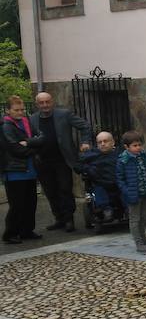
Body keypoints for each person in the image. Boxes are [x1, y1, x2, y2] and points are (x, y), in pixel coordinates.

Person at [29, 91, 91, 232]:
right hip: (42, 161)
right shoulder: (32, 119)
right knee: (50, 192)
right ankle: (59, 218)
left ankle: (69, 219)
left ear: (52, 101)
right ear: (37, 104)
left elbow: (84, 126)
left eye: (47, 101)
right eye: (41, 102)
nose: (45, 105)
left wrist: (85, 141)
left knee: (65, 190)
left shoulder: (64, 114)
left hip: (62, 160)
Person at [2, 96, 44, 243]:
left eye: (22, 109)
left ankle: (27, 230)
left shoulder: (26, 122)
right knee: (17, 205)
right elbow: (15, 149)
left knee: (30, 203)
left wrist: (28, 142)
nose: (20, 112)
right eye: (16, 110)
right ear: (8, 110)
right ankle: (10, 233)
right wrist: (34, 148)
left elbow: (42, 138)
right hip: (14, 171)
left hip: (30, 169)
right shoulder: (6, 126)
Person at [116, 130, 146, 254]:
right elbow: (120, 179)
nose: (138, 147)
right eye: (135, 146)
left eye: (139, 145)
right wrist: (127, 191)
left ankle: (144, 240)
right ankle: (139, 243)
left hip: (145, 192)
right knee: (135, 219)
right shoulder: (123, 160)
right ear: (126, 147)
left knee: (142, 218)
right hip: (133, 194)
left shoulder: (145, 156)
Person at [77, 131, 121, 221]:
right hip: (100, 183)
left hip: (117, 182)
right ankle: (106, 210)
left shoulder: (119, 154)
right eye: (100, 142)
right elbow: (78, 165)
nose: (103, 144)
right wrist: (88, 169)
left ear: (113, 142)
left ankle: (129, 209)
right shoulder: (91, 155)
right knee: (98, 190)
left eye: (105, 141)